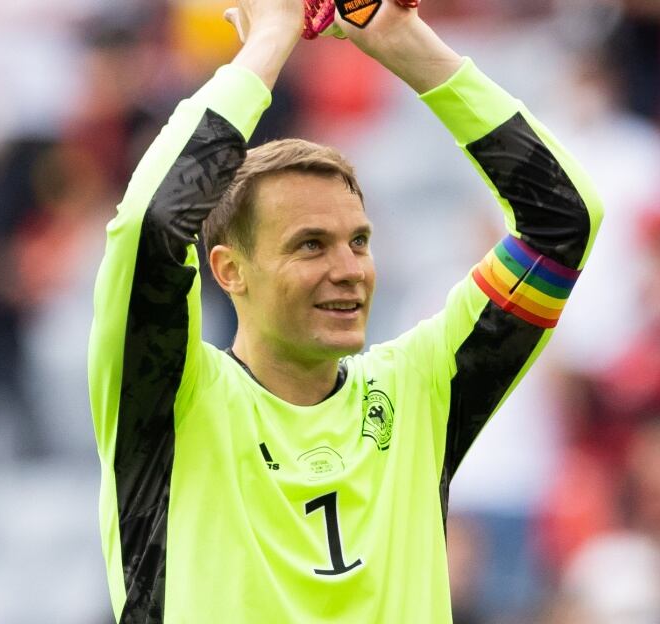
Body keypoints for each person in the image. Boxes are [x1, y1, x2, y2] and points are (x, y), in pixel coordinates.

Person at [87, 0, 603, 620]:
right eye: (311, 245)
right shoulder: (170, 399)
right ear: (228, 270)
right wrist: (268, 43)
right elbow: (152, 224)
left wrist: (403, 42)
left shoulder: (422, 392)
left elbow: (563, 220)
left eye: (359, 241)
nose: (348, 269)